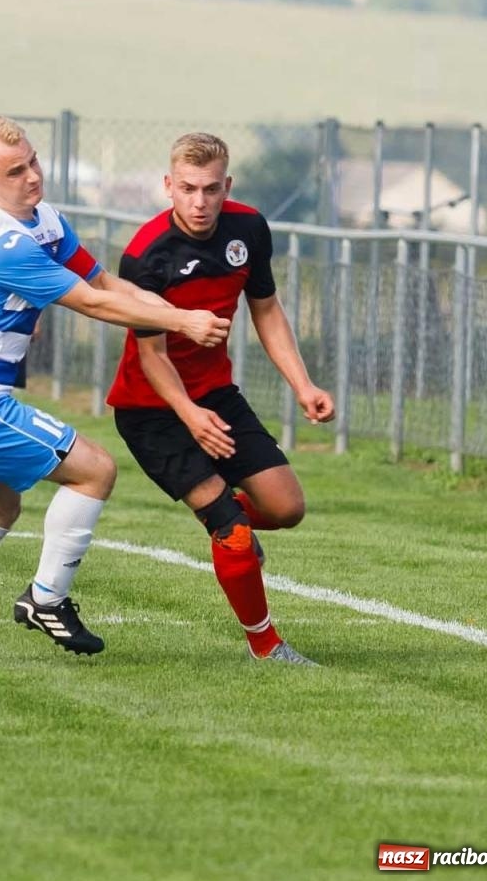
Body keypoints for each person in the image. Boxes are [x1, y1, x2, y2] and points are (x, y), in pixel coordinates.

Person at [0, 116, 229, 664]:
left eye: (33, 161)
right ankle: (46, 598)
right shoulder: (3, 244)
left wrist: (176, 312)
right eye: (15, 171)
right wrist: (182, 323)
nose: (33, 176)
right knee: (96, 470)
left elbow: (103, 281)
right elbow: (93, 303)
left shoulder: (45, 220)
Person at [107, 132, 335, 665]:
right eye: (188, 189)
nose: (199, 202)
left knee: (286, 508)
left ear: (226, 186)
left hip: (216, 395)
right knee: (232, 535)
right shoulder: (145, 255)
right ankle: (266, 645)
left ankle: (226, 517)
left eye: (211, 189)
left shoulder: (248, 228)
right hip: (152, 411)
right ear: (168, 185)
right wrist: (189, 415)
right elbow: (152, 356)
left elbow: (266, 309)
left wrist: (303, 385)